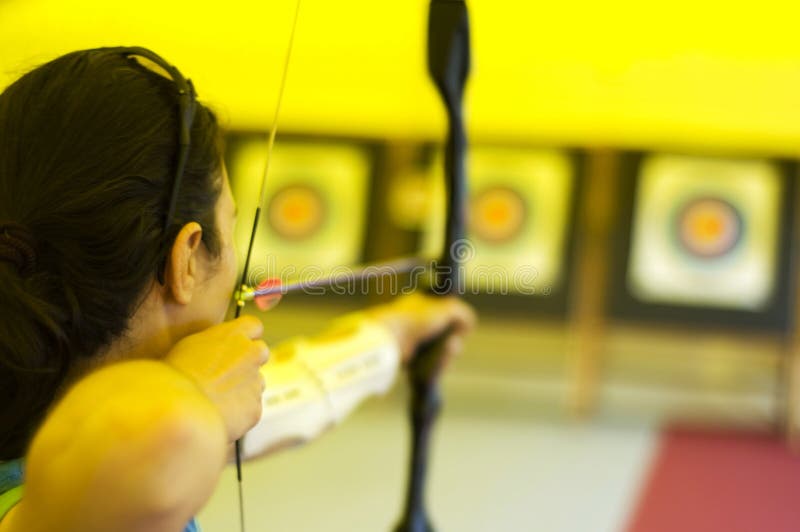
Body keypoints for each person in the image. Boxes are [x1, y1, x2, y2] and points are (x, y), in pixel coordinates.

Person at [0, 48, 475, 532]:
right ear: (185, 258)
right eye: (229, 227)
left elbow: (286, 401)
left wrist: (392, 336)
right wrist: (196, 391)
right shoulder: (76, 491)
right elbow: (141, 444)